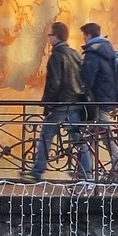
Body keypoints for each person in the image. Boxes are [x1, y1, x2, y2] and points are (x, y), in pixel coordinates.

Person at [27, 22, 92, 181]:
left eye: (50, 35)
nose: (48, 38)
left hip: (61, 105)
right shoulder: (74, 54)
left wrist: (47, 105)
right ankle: (87, 174)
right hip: (74, 103)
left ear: (56, 36)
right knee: (78, 138)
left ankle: (36, 172)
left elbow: (54, 84)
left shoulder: (57, 56)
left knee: (45, 136)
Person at [79, 22, 118, 182]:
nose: (83, 39)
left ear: (89, 35)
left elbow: (87, 78)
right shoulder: (108, 51)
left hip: (99, 102)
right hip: (108, 99)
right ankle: (85, 172)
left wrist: (80, 91)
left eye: (84, 36)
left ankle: (117, 171)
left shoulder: (93, 53)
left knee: (106, 137)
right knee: (91, 136)